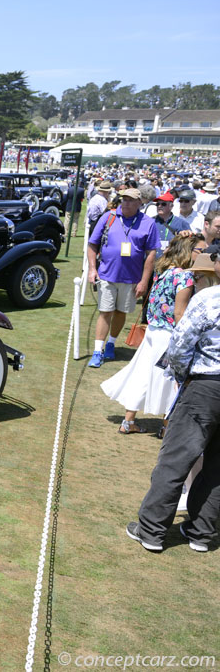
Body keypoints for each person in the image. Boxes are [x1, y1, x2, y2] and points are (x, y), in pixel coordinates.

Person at [126, 242, 220, 552]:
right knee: (217, 467)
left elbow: (180, 346)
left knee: (175, 461)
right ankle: (202, 532)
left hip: (205, 386)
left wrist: (182, 377)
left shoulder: (207, 298)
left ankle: (152, 530)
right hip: (207, 384)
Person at [101, 234, 199, 433]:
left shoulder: (162, 272)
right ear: (189, 252)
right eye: (200, 250)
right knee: (171, 380)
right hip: (169, 335)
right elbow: (179, 312)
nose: (204, 255)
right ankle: (166, 426)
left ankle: (128, 422)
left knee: (142, 375)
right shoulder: (184, 276)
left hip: (153, 332)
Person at [86, 187, 161, 368]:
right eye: (123, 199)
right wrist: (92, 269)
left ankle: (111, 343)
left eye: (130, 200)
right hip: (107, 274)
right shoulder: (109, 217)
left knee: (121, 312)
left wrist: (144, 281)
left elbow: (151, 254)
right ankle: (98, 351)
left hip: (131, 278)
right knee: (105, 312)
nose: (125, 203)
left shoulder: (148, 223)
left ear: (139, 203)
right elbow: (92, 244)